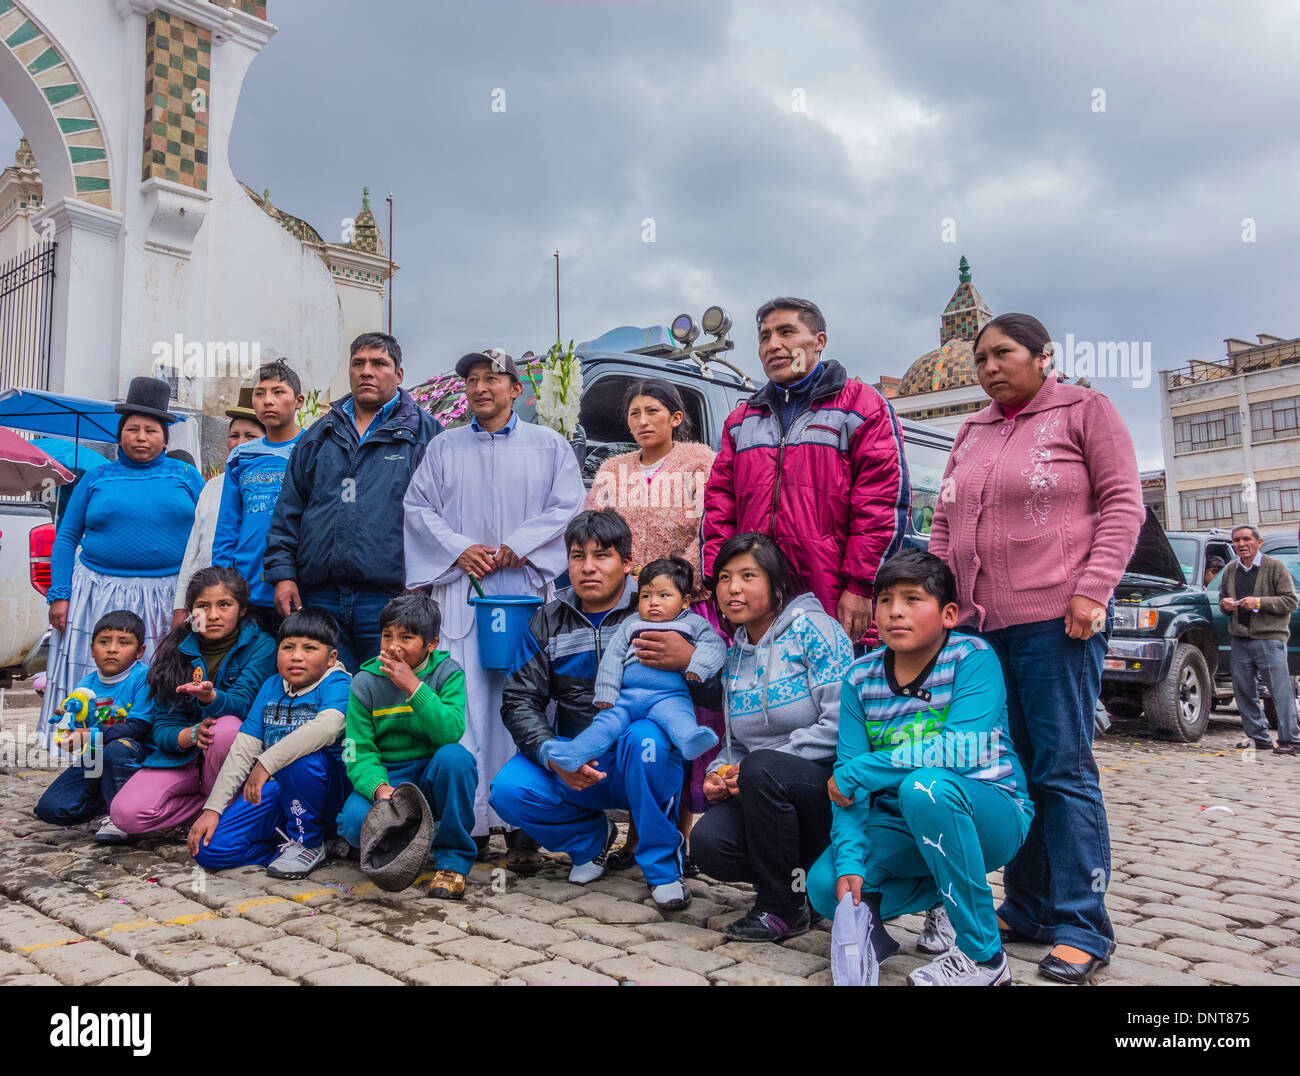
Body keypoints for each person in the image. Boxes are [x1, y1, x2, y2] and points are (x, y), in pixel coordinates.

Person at [929, 312, 1144, 984]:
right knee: (1010, 772)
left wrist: (1093, 589)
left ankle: (1083, 923)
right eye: (981, 359)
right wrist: (939, 608)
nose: (990, 367)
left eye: (1004, 354)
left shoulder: (1085, 410)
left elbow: (1123, 503)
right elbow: (943, 521)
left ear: (1043, 356)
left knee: (1062, 770)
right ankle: (1025, 907)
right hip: (979, 631)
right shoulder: (972, 429)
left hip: (1059, 623)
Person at [807, 550, 1034, 986]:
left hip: (990, 811)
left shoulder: (973, 657)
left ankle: (984, 957)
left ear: (948, 614)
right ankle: (922, 908)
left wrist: (864, 771)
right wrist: (852, 860)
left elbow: (961, 748)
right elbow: (847, 782)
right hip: (904, 822)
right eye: (886, 599)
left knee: (924, 787)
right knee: (827, 885)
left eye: (913, 599)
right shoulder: (859, 678)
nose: (895, 611)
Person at [402, 349, 584, 870]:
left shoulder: (549, 446)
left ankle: (524, 825)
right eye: (473, 380)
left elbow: (568, 506)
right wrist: (460, 547)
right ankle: (472, 824)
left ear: (515, 388)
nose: (481, 388)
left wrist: (519, 544)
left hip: (524, 589)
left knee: (525, 702)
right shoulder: (443, 447)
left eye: (492, 379)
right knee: (468, 709)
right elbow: (418, 509)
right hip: (463, 591)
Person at [490, 509, 720, 910]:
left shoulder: (656, 609)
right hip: (579, 754)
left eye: (602, 556)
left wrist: (689, 659)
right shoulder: (548, 620)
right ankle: (589, 841)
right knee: (507, 790)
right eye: (578, 557)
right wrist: (551, 754)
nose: (588, 568)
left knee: (646, 738)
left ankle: (664, 868)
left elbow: (716, 694)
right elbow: (519, 699)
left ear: (627, 563)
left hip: (642, 755)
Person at [702, 297, 910, 648]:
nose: (773, 345)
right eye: (765, 336)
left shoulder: (862, 407)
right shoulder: (741, 421)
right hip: (756, 604)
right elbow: (719, 507)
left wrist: (860, 586)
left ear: (819, 342)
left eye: (787, 332)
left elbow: (880, 505)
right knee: (757, 699)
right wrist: (718, 582)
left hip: (832, 597)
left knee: (833, 700)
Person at [689, 532, 855, 941]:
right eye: (725, 578)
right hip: (764, 789)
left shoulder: (817, 631)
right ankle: (801, 888)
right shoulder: (735, 654)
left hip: (825, 785)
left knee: (763, 767)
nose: (733, 588)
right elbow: (737, 743)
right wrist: (721, 771)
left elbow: (842, 725)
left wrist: (754, 767)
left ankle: (782, 906)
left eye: (748, 575)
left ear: (777, 584)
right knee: (709, 842)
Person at [585, 379, 721, 867]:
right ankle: (638, 831)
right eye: (634, 413)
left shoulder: (699, 462)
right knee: (634, 716)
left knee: (681, 716)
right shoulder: (612, 470)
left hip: (682, 607)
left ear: (676, 418)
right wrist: (623, 576)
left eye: (652, 411)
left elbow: (711, 527)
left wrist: (667, 580)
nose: (642, 421)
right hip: (625, 610)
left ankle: (677, 832)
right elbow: (593, 532)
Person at [264, 332, 441, 672]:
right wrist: (283, 575)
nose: (366, 372)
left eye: (379, 364)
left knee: (385, 696)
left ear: (399, 375)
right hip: (320, 595)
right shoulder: (320, 434)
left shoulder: (426, 435)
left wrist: (422, 586)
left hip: (392, 597)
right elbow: (288, 511)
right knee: (327, 697)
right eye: (358, 364)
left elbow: (442, 515)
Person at [41, 377, 205, 740]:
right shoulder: (97, 476)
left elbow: (207, 536)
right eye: (132, 429)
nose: (141, 437)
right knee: (101, 671)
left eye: (151, 430)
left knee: (159, 672)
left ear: (165, 436)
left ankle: (148, 745)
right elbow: (67, 537)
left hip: (167, 597)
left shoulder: (187, 476)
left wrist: (196, 599)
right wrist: (60, 593)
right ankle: (87, 752)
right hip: (98, 593)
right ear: (120, 435)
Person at [109, 567, 277, 836]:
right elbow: (162, 726)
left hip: (232, 758)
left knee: (226, 728)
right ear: (191, 613)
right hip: (182, 761)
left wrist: (210, 697)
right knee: (125, 815)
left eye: (224, 605)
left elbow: (245, 705)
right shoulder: (176, 650)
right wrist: (189, 735)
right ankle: (211, 810)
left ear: (242, 609)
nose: (212, 615)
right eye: (202, 606)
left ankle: (223, 810)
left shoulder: (262, 645)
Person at [187, 608, 352, 879]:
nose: (296, 656)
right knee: (209, 850)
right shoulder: (272, 685)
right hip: (279, 791)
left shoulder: (339, 682)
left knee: (300, 759)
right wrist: (212, 809)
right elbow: (244, 748)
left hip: (328, 795)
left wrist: (266, 762)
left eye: (310, 648)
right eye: (288, 647)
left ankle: (307, 843)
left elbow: (329, 725)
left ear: (331, 658)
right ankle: (292, 848)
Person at [335, 594, 478, 900]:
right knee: (353, 824)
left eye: (406, 637)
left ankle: (452, 859)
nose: (393, 646)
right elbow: (355, 750)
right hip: (389, 778)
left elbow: (450, 732)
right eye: (387, 636)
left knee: (457, 758)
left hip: (430, 774)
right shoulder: (364, 682)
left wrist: (413, 687)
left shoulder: (447, 673)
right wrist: (380, 789)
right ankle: (407, 841)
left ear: (431, 643)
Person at [542, 557, 726, 772]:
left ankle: (689, 741)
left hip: (669, 696)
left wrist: (697, 665)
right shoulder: (632, 623)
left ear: (684, 601)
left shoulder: (693, 623)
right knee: (604, 725)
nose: (654, 602)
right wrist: (606, 693)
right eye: (646, 596)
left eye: (664, 595)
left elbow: (714, 646)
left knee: (679, 718)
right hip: (627, 698)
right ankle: (575, 753)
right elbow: (613, 657)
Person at [33, 611, 152, 843]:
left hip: (134, 756)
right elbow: (77, 726)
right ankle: (107, 800)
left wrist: (89, 735)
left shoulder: (143, 678)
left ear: (140, 652)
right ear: (92, 649)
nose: (112, 649)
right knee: (51, 808)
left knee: (117, 749)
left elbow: (138, 727)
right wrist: (69, 737)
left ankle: (121, 816)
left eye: (123, 642)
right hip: (97, 758)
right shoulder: (85, 685)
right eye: (104, 642)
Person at [212, 360, 305, 635]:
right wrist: (223, 580)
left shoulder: (313, 448)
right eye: (260, 393)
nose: (268, 401)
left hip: (296, 587)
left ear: (298, 401)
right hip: (246, 586)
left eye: (278, 392)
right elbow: (228, 523)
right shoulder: (241, 456)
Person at [172, 389, 264, 630]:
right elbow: (194, 547)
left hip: (257, 596)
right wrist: (181, 604)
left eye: (250, 435)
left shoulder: (275, 482)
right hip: (209, 599)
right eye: (234, 435)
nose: (240, 442)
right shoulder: (213, 486)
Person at [1219, 525, 1299, 754]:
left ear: (1259, 542)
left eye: (1246, 539)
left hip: (1270, 638)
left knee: (1279, 691)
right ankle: (1259, 738)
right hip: (1240, 639)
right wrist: (1226, 604)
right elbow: (1225, 598)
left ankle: (1290, 740)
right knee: (1243, 691)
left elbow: (1290, 602)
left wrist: (1260, 602)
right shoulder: (1231, 569)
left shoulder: (1275, 567)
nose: (1241, 544)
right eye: (1236, 540)